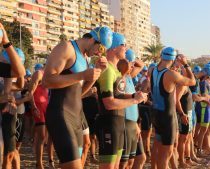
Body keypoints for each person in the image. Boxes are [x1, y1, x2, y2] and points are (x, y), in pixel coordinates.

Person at [42, 26, 112, 169]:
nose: (99, 53)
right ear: (92, 39)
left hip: (76, 117)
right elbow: (47, 81)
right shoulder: (66, 48)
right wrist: (81, 75)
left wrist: (96, 73)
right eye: (100, 48)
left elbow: (78, 93)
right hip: (60, 115)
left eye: (103, 51)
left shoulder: (85, 58)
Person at [95, 32, 147, 169]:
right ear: (114, 48)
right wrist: (134, 101)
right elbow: (109, 102)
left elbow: (118, 95)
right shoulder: (107, 70)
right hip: (109, 123)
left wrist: (134, 95)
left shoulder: (116, 71)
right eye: (123, 45)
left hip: (118, 124)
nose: (126, 48)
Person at [149, 47, 195, 169]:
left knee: (158, 148)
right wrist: (185, 64)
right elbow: (192, 81)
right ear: (173, 59)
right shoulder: (171, 74)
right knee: (166, 154)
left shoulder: (152, 70)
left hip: (156, 115)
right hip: (167, 118)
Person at [119, 49, 145, 169]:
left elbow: (141, 65)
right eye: (130, 65)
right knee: (124, 163)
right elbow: (120, 102)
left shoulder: (129, 76)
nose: (132, 67)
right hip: (126, 123)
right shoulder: (121, 79)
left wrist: (132, 61)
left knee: (139, 158)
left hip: (133, 123)